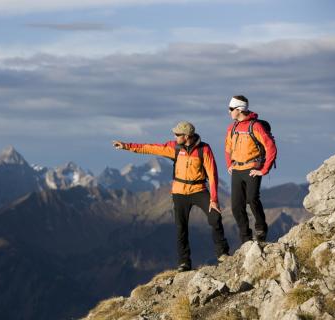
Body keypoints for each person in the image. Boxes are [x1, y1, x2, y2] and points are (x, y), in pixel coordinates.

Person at [113, 121, 229, 272]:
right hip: (179, 192)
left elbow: (212, 175)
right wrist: (126, 146)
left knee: (215, 217)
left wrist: (214, 199)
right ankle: (184, 263)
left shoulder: (204, 149)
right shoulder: (174, 147)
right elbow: (150, 148)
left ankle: (222, 254)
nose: (174, 136)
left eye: (177, 134)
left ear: (187, 136)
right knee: (181, 228)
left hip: (199, 190)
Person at [225, 95, 277, 243]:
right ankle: (245, 238)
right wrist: (229, 164)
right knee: (236, 206)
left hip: (252, 169)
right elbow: (228, 148)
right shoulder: (232, 127)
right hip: (237, 170)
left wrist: (264, 170)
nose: (229, 112)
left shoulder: (256, 126)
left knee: (252, 199)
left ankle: (261, 228)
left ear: (239, 109)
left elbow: (270, 147)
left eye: (231, 109)